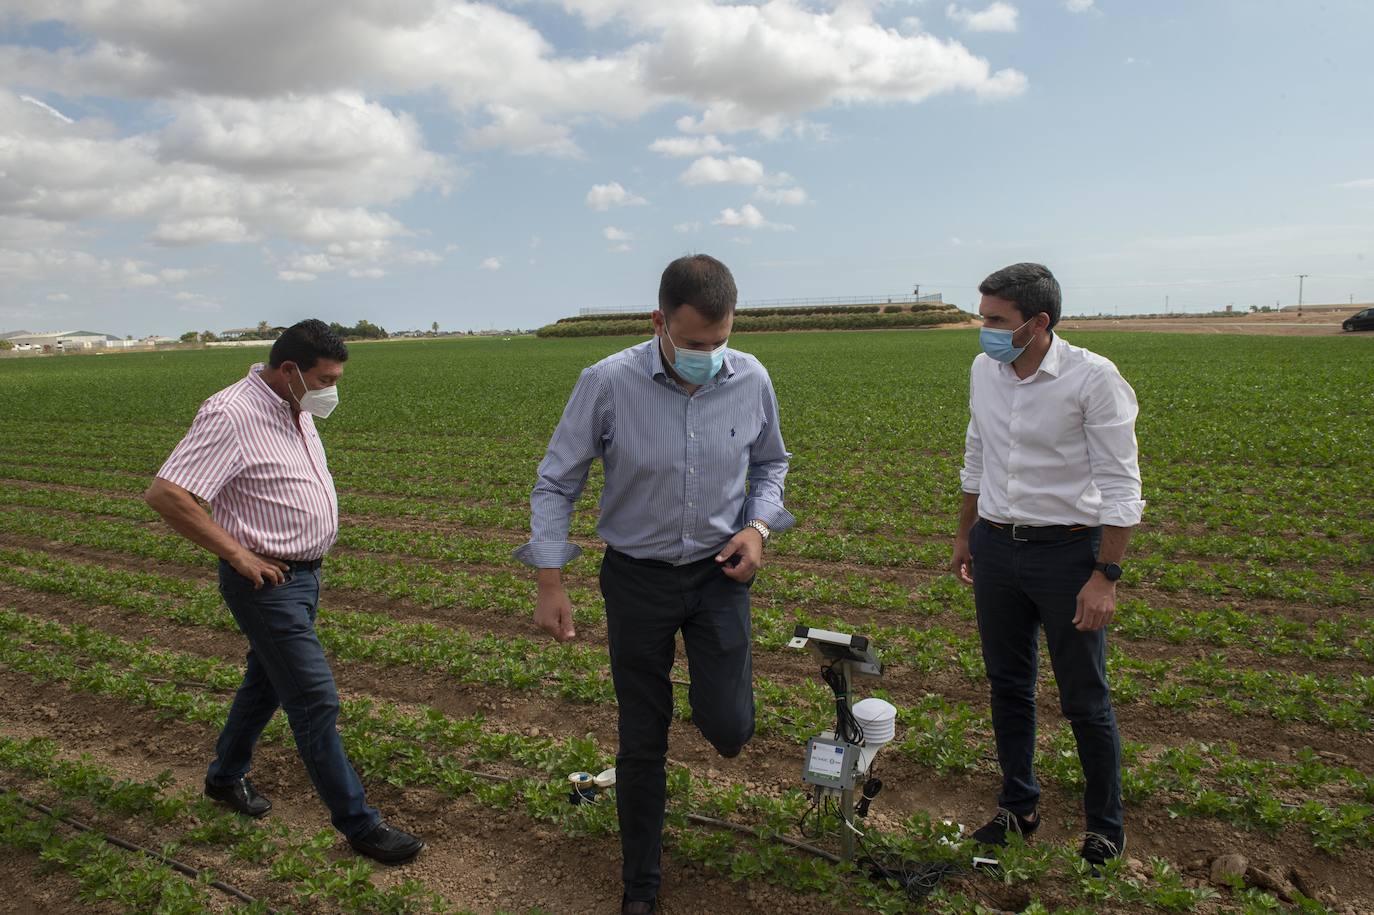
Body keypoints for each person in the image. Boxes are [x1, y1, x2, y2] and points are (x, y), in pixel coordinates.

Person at [516, 254, 794, 914]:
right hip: (636, 579)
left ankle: (716, 701)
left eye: (721, 341)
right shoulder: (607, 382)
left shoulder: (750, 378)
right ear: (659, 323)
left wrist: (758, 528)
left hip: (720, 573)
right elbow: (558, 479)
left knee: (728, 727)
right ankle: (640, 884)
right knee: (642, 737)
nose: (709, 355)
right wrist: (550, 581)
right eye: (695, 343)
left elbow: (772, 463)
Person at [144, 319, 424, 865]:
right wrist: (238, 553)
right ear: (290, 369)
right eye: (324, 378)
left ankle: (225, 778)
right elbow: (167, 494)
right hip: (264, 583)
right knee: (314, 699)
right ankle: (360, 825)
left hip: (303, 578)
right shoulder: (231, 414)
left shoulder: (293, 406)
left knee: (265, 684)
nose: (331, 388)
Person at [951, 263, 1144, 871]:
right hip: (998, 547)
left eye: (995, 320)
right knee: (1008, 687)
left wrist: (1104, 576)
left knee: (1085, 698)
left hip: (1068, 555)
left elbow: (1120, 485)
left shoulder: (1093, 379)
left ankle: (1104, 829)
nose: (983, 329)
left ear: (1038, 323)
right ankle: (1018, 808)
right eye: (982, 315)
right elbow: (976, 452)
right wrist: (967, 536)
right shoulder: (986, 369)